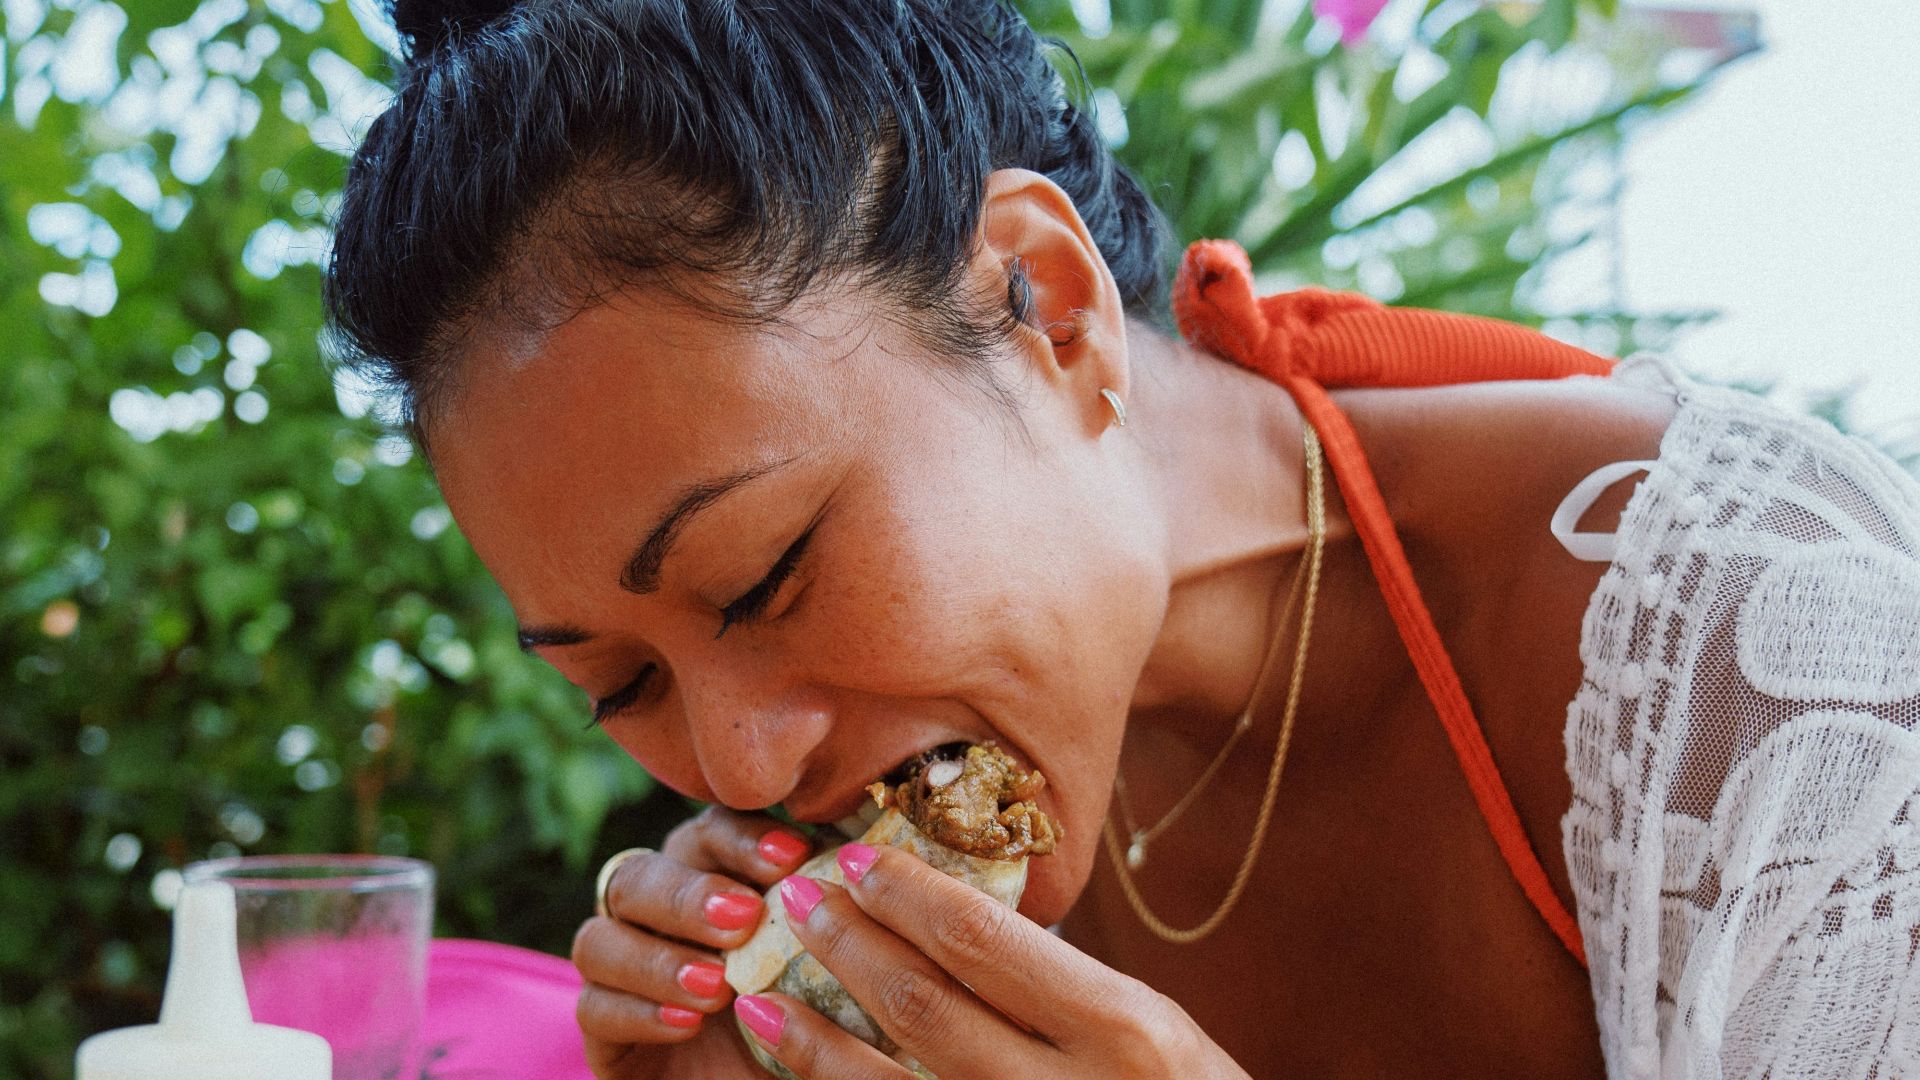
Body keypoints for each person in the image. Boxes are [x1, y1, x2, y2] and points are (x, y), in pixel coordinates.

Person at [323, 0, 1920, 1076]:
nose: (740, 766)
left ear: (1050, 308)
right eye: (621, 684)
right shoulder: (937, 792)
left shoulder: (1752, 644)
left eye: (763, 579)